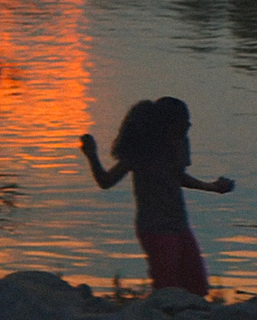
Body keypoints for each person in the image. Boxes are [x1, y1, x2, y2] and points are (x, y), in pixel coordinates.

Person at [78, 97, 234, 298]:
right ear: (166, 125)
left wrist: (212, 187)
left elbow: (176, 176)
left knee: (197, 288)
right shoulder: (141, 151)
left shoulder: (180, 143)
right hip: (155, 227)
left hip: (179, 224)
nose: (188, 126)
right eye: (182, 122)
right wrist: (91, 155)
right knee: (168, 291)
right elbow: (106, 181)